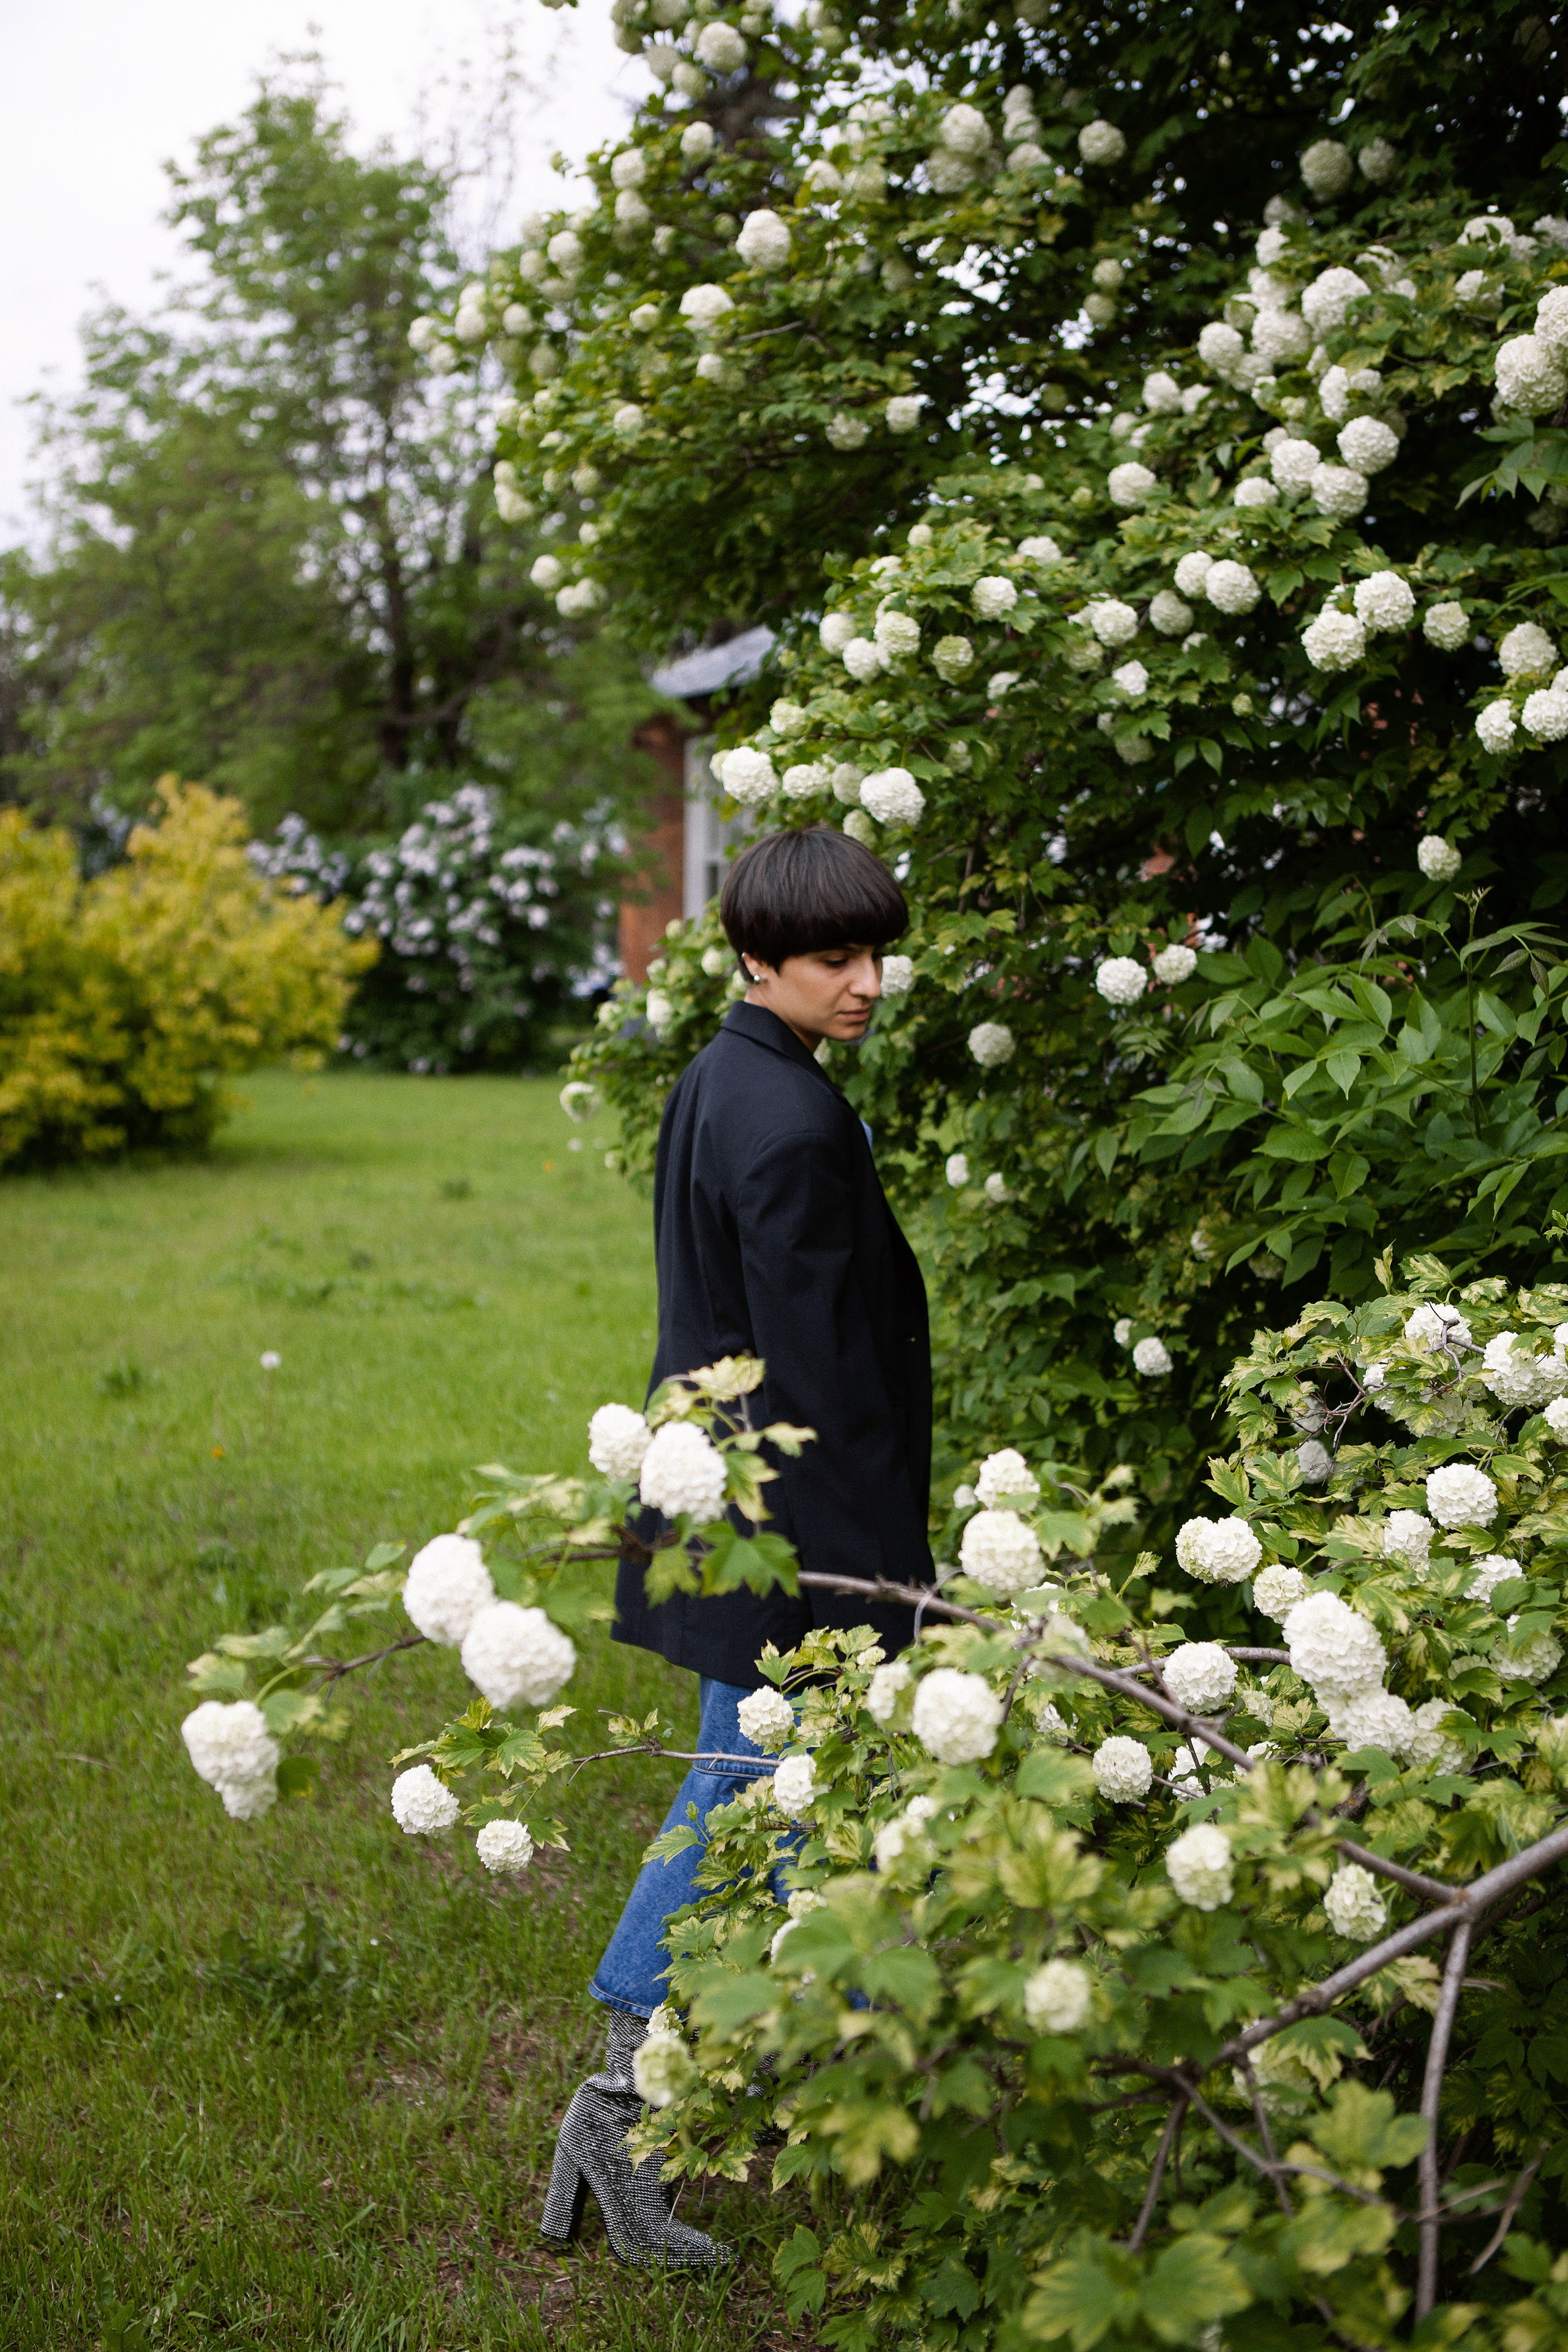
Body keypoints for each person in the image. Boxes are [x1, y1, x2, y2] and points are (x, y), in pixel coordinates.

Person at [540, 826, 934, 2267]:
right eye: (835, 958)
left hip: (745, 1518)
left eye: (875, 952)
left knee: (753, 1798)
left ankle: (808, 2064)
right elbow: (817, 1377)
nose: (867, 982)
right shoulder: (785, 1120)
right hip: (795, 1535)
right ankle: (619, 2108)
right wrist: (882, 1577)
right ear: (755, 958)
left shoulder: (727, 1079)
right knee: (740, 1805)